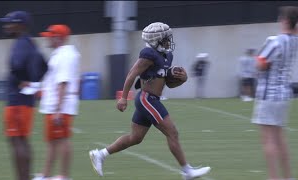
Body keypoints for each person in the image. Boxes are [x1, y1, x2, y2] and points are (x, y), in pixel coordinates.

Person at [89, 22, 211, 180]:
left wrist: (183, 78)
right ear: (156, 40)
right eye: (166, 38)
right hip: (147, 99)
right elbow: (132, 74)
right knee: (172, 132)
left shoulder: (167, 56)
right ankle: (187, 171)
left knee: (135, 138)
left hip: (150, 99)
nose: (169, 41)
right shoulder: (148, 54)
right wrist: (124, 97)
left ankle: (100, 154)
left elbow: (167, 83)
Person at [251, 6, 298, 180]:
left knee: (268, 140)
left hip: (269, 94)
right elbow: (296, 32)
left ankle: (274, 178)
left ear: (285, 21)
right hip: (284, 94)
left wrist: (261, 62)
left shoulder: (275, 41)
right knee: (280, 139)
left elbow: (260, 63)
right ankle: (288, 176)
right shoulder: (295, 40)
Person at [0, 11, 47, 180]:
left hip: (16, 100)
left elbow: (17, 64)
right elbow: (44, 65)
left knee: (16, 140)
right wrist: (33, 81)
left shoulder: (20, 43)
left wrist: (22, 79)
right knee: (23, 140)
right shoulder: (31, 43)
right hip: (26, 101)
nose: (7, 26)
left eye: (10, 23)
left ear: (20, 25)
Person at [32, 24, 81, 180]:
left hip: (60, 106)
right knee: (52, 141)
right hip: (55, 105)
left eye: (50, 36)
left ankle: (63, 175)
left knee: (62, 139)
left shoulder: (65, 55)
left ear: (58, 38)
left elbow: (63, 82)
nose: (47, 39)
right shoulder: (60, 54)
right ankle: (46, 175)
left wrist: (59, 109)